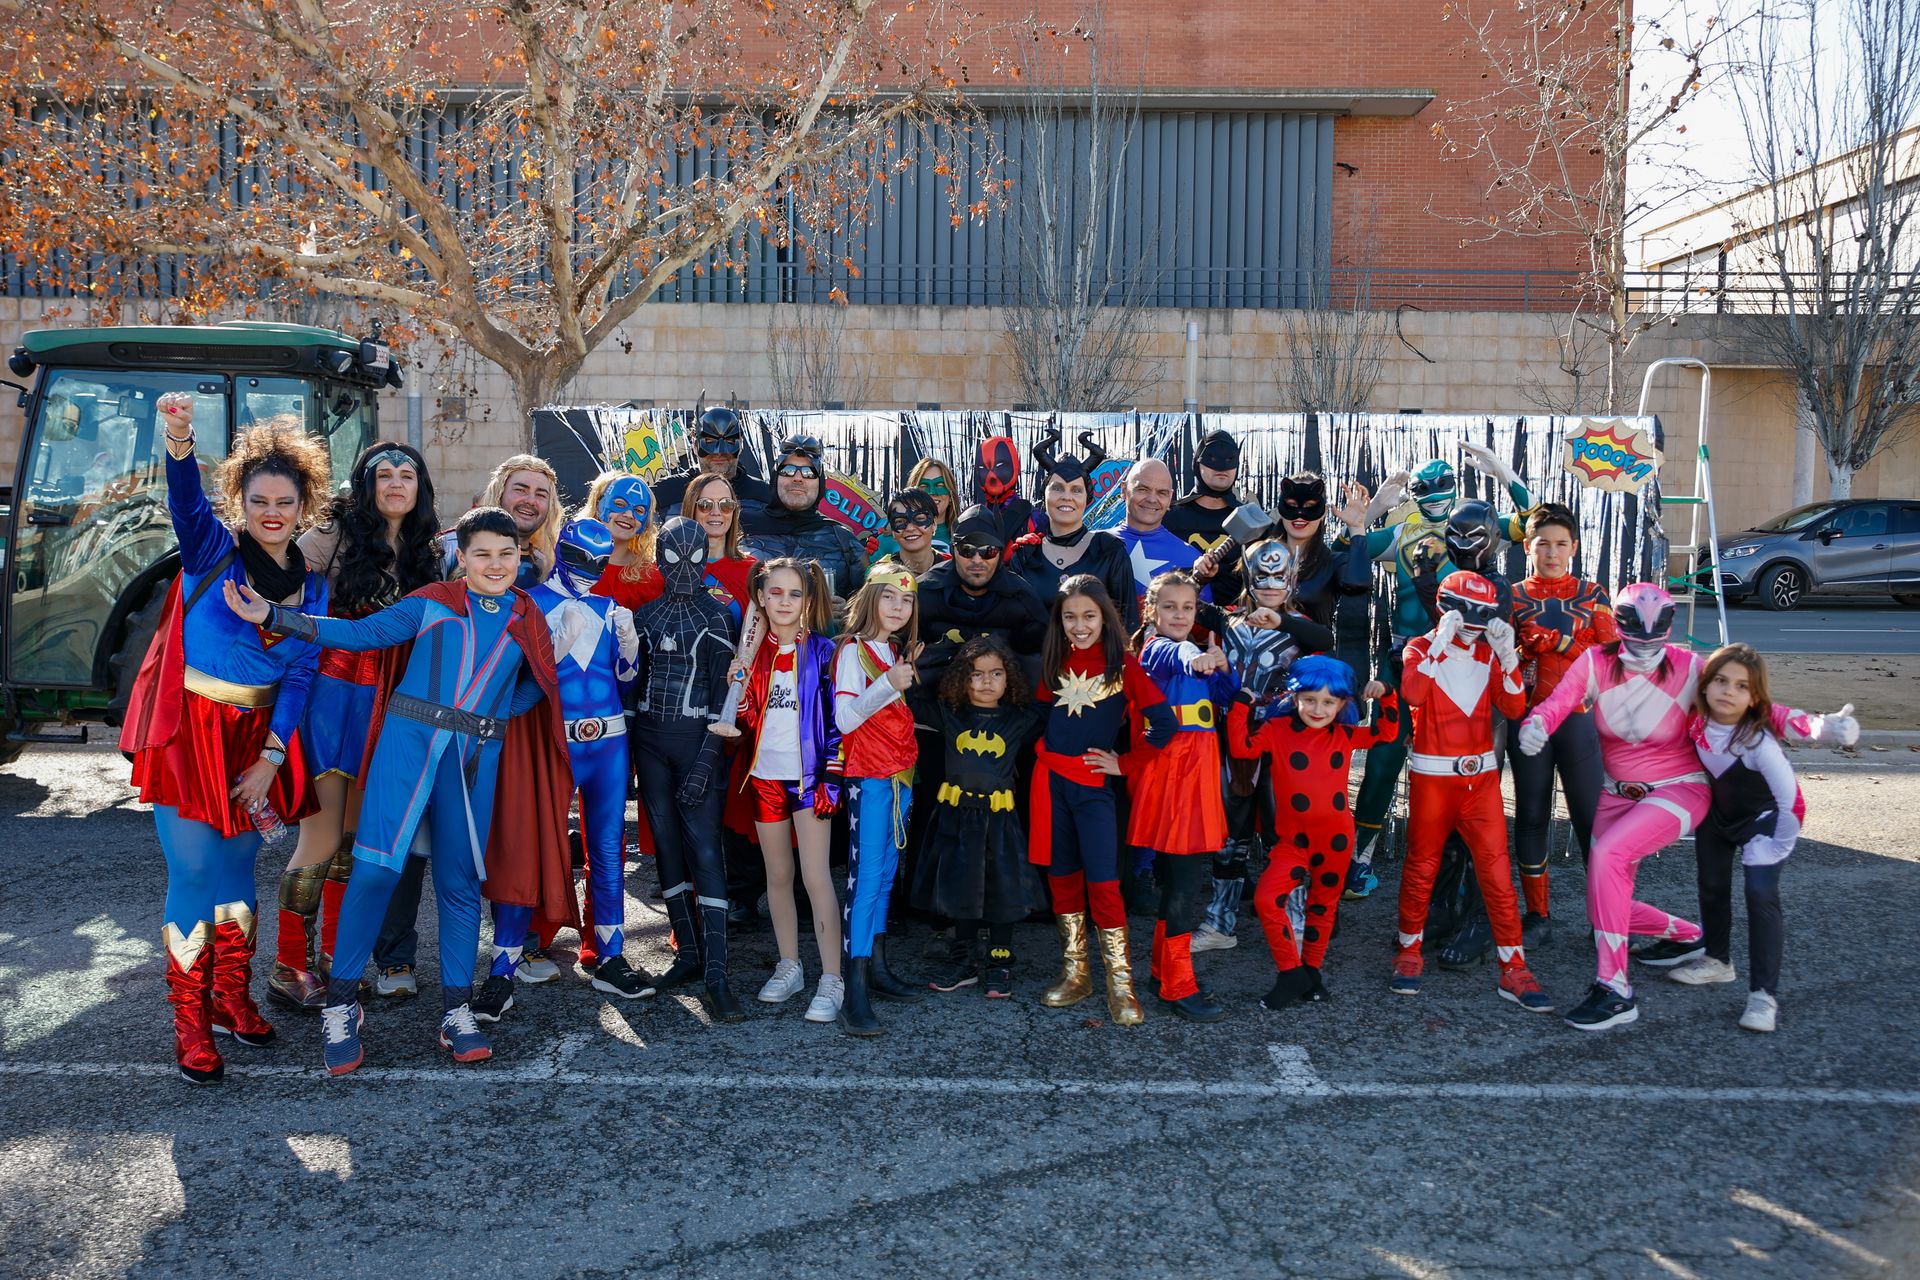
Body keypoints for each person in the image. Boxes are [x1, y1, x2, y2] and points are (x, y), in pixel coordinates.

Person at [230, 506, 576, 1074]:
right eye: (483, 554)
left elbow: (542, 683)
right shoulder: (434, 600)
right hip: (407, 746)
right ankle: (341, 1006)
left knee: (460, 885)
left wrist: (495, 717)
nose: (495, 564)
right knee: (374, 872)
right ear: (462, 557)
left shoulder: (527, 616)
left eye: (506, 553)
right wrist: (274, 615)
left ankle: (457, 1011)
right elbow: (362, 634)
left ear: (521, 556)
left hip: (473, 760)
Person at [1516, 584, 1855, 1031]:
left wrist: (1816, 726)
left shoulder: (1690, 666)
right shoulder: (1595, 661)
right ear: (1618, 628)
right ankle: (1688, 936)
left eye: (1653, 643)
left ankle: (1615, 990)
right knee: (1601, 904)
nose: (1643, 653)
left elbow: (1756, 706)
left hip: (1679, 788)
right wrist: (1536, 724)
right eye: (1635, 642)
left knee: (1609, 857)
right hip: (1617, 792)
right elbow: (1559, 701)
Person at [121, 396, 329, 1084]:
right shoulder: (212, 550)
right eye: (259, 500)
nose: (272, 512)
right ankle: (189, 1025)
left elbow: (300, 676)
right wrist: (179, 439)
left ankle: (229, 999)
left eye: (285, 502)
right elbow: (185, 502)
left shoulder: (313, 590)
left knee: (240, 874)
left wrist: (271, 759)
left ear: (303, 507)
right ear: (240, 502)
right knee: (193, 875)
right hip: (190, 733)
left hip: (256, 742)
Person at [272, 441, 440, 1013]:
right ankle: (289, 966)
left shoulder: (425, 550)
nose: (395, 483)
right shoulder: (331, 535)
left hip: (391, 702)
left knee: (351, 843)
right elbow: (281, 592)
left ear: (419, 488)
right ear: (365, 484)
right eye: (383, 474)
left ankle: (333, 960)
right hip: (332, 695)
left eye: (407, 475)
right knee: (319, 839)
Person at [472, 515, 652, 1023]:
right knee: (525, 850)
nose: (589, 570)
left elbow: (623, 678)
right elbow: (510, 682)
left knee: (609, 851)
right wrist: (552, 650)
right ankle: (501, 971)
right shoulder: (527, 604)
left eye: (600, 562)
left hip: (608, 741)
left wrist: (630, 650)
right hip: (552, 741)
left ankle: (611, 957)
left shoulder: (608, 606)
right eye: (580, 559)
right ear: (561, 551)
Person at [1338, 444, 1534, 897]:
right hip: (1408, 658)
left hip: (1467, 666)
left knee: (1468, 768)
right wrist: (1372, 513)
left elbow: (1533, 523)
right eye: (1422, 487)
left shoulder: (1476, 525)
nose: (1433, 493)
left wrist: (1504, 473)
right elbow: (1344, 553)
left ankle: (1460, 872)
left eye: (1441, 484)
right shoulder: (1403, 532)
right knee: (1384, 758)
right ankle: (1360, 859)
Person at [1391, 570, 1554, 1013]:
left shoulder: (1487, 652)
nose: (1475, 620)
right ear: (1446, 607)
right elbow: (1413, 693)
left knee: (1497, 875)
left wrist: (1508, 655)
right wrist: (1438, 642)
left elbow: (1514, 707)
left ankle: (1513, 967)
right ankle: (1408, 951)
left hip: (1479, 781)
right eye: (1467, 610)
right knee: (1422, 865)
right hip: (1434, 780)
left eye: (1484, 611)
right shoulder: (1419, 647)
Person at [1031, 575, 1175, 1025]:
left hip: (1094, 790)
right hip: (1052, 785)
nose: (1079, 626)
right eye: (1070, 617)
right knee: (1062, 878)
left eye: (1089, 616)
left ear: (1105, 618)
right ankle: (1077, 974)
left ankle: (1121, 983)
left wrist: (1125, 763)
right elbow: (1040, 719)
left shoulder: (1124, 666)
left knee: (1103, 883)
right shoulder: (1053, 662)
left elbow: (1165, 724)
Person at [1226, 656, 1398, 1009]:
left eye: (1328, 702)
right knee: (1266, 900)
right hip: (1293, 842)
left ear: (1342, 705)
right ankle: (1291, 973)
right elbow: (1241, 747)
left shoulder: (1344, 735)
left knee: (1323, 905)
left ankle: (1312, 974)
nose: (1318, 710)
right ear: (1294, 698)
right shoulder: (1276, 731)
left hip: (1335, 840)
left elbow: (1387, 733)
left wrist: (1387, 694)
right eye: (1309, 700)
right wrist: (1241, 704)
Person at [1194, 539, 1337, 954]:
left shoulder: (1300, 624)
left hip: (1281, 743)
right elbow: (1175, 601)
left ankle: (1295, 917)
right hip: (1232, 736)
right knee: (1229, 834)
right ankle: (1220, 923)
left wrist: (1282, 621)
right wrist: (1198, 576)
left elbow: (1325, 639)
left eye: (1279, 576)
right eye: (1262, 576)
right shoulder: (1229, 619)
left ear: (1292, 578)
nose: (1271, 584)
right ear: (1247, 576)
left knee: (1284, 832)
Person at [629, 517, 745, 1020]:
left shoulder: (717, 617)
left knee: (706, 850)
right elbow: (634, 689)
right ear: (658, 559)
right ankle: (690, 954)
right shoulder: (646, 616)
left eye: (694, 558)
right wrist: (630, 758)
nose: (683, 569)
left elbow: (724, 700)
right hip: (651, 743)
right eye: (673, 558)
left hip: (697, 740)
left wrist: (706, 761)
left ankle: (718, 972)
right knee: (668, 849)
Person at [1671, 644, 1807, 1034]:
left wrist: (1777, 846)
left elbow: (1793, 803)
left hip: (1764, 823)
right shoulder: (1694, 721)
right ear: (1705, 685)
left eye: (1741, 686)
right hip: (1717, 816)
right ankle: (1717, 961)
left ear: (1754, 697)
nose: (1728, 691)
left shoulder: (1758, 742)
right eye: (1721, 680)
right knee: (1711, 886)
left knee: (1760, 894)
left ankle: (1763, 996)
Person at [734, 558, 846, 1024]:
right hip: (765, 778)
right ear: (760, 598)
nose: (784, 601)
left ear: (808, 600)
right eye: (775, 593)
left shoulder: (824, 652)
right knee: (777, 875)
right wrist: (740, 695)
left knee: (816, 877)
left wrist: (831, 780)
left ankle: (832, 977)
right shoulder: (751, 655)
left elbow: (839, 723)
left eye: (795, 593)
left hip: (810, 781)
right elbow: (750, 721)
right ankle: (790, 965)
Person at [1124, 569, 1237, 1023]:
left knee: (1179, 881)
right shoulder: (1157, 649)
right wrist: (1198, 655)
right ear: (1151, 611)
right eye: (1169, 607)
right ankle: (1177, 983)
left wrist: (1222, 666)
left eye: (1187, 607)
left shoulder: (1196, 650)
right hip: (1174, 774)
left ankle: (1164, 972)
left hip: (1197, 772)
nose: (1179, 615)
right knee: (1185, 884)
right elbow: (1179, 654)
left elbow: (1226, 694)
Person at [913, 636, 1049, 998]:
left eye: (997, 673)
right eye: (976, 673)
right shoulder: (950, 714)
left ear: (1009, 678)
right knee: (962, 886)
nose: (987, 681)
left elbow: (1053, 707)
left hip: (999, 819)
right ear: (962, 678)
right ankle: (964, 959)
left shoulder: (1019, 719)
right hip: (957, 817)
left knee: (1002, 888)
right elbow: (911, 698)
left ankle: (1000, 960)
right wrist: (930, 655)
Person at [1509, 503, 1615, 948]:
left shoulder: (1593, 594)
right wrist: (1521, 652)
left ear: (1574, 547)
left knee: (1592, 821)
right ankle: (1537, 916)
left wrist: (1562, 642)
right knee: (1532, 816)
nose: (1551, 553)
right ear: (1528, 548)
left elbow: (1612, 660)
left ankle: (1606, 917)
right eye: (1542, 544)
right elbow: (1500, 664)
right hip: (1528, 722)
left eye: (1560, 544)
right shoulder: (1512, 597)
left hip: (1577, 721)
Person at [832, 563, 924, 1035]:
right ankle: (854, 991)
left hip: (898, 777)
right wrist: (890, 683)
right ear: (870, 598)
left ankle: (878, 971)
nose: (898, 607)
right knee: (866, 880)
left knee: (886, 874)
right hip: (868, 777)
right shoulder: (854, 651)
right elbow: (845, 719)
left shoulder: (891, 650)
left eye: (906, 600)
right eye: (889, 596)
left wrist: (894, 675)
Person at [1007, 430, 1138, 629]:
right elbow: (1013, 627)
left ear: (1087, 498)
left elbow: (1127, 626)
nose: (1066, 497)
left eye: (1076, 490)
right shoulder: (1025, 556)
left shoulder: (1109, 552)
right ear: (1044, 494)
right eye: (1057, 488)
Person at [914, 505, 1049, 682]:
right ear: (953, 550)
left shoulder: (1022, 598)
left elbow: (1039, 663)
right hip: (935, 692)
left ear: (1000, 553)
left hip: (1000, 694)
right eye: (967, 550)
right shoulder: (925, 592)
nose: (977, 560)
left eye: (988, 551)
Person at [739, 434, 869, 600]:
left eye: (809, 473)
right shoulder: (742, 530)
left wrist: (846, 610)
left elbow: (867, 606)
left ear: (820, 483)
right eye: (788, 471)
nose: (798, 478)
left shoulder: (844, 541)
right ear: (775, 478)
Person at [441, 454, 563, 587]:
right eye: (520, 490)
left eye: (540, 495)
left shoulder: (549, 567)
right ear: (499, 493)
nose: (531, 501)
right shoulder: (451, 546)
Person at [1164, 428, 1247, 603]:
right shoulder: (1168, 519)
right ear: (1197, 463)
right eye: (1213, 458)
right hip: (1179, 613)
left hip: (1236, 616)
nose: (1222, 466)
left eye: (1230, 459)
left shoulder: (1251, 521)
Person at [1116, 458, 1206, 606]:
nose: (1152, 499)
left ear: (1170, 497)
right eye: (1143, 489)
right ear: (1124, 490)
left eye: (1162, 493)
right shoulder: (1093, 545)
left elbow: (1201, 617)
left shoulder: (1190, 558)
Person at [650, 406, 773, 513]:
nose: (719, 452)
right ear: (694, 445)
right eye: (709, 441)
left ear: (741, 444)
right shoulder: (667, 491)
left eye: (729, 441)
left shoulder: (763, 494)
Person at [873, 488, 948, 577]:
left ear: (934, 524)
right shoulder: (880, 576)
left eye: (919, 519)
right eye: (900, 521)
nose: (910, 528)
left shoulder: (953, 568)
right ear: (892, 531)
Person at [974, 435, 1032, 545]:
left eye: (1000, 466)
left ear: (1016, 466)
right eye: (982, 468)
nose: (992, 476)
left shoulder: (1033, 518)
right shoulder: (974, 518)